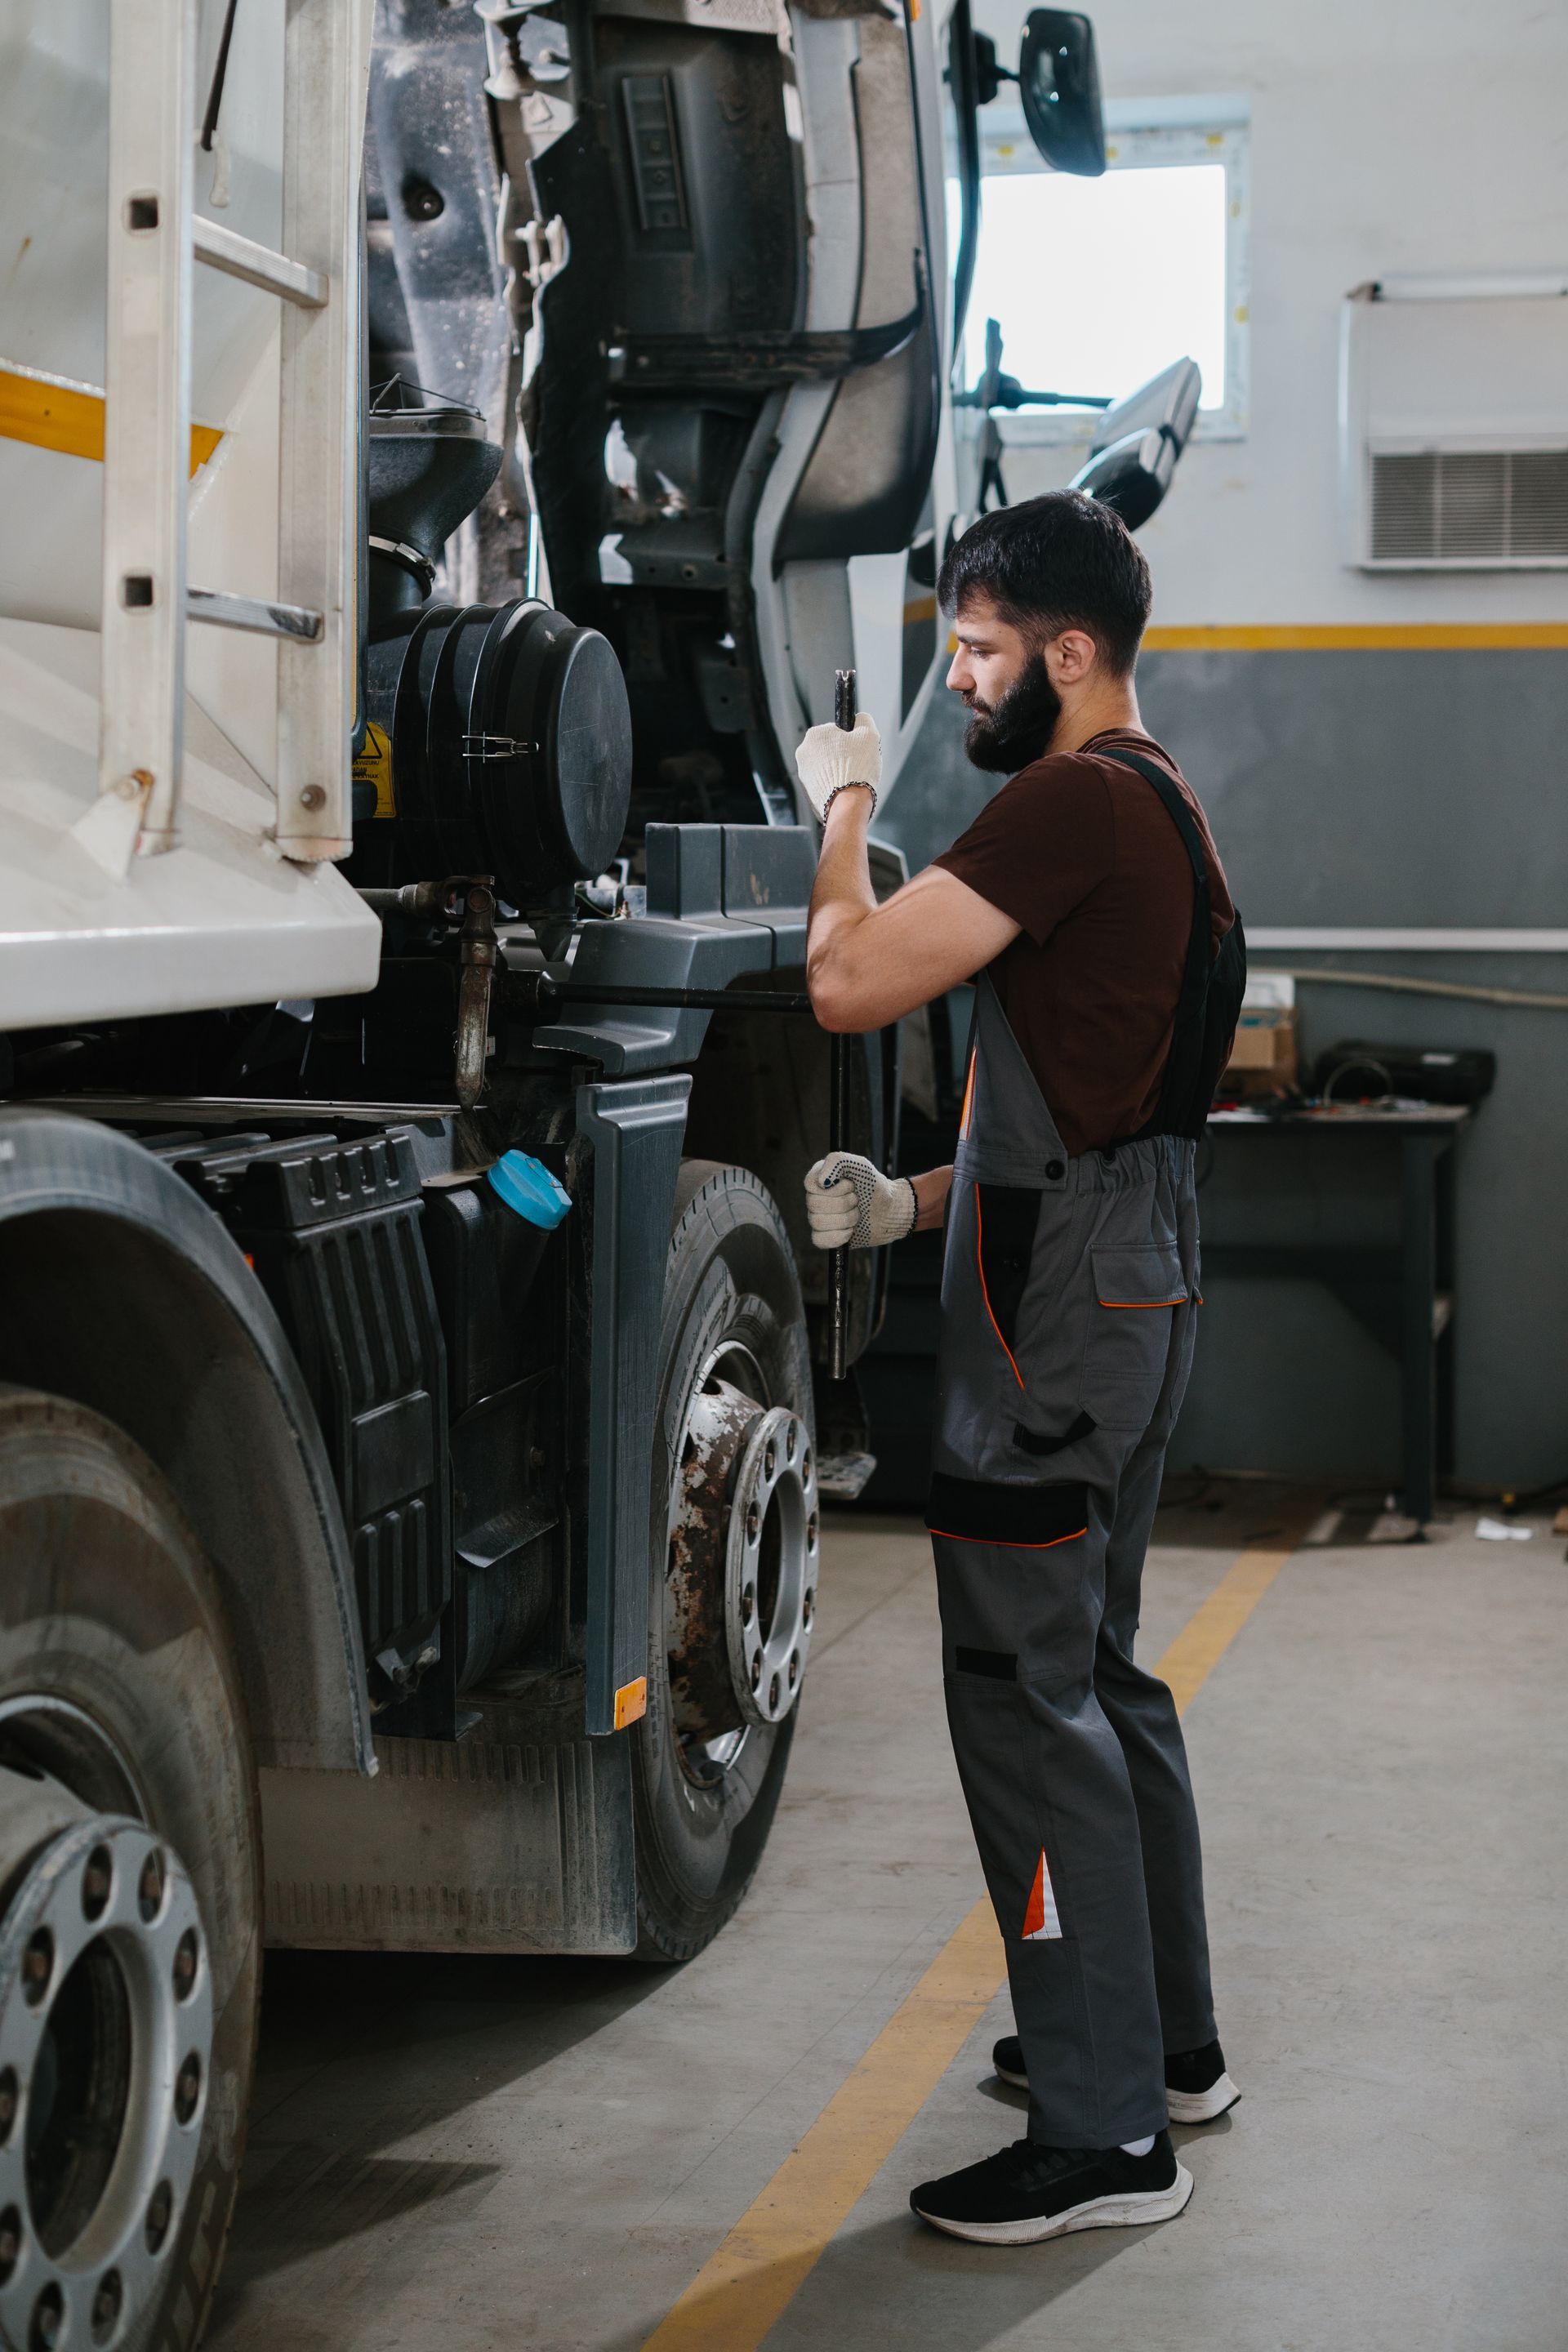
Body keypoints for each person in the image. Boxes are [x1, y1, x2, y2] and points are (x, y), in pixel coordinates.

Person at [796, 491, 1245, 2247]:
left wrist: (843, 798)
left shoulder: (1066, 804)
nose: (960, 680)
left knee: (1020, 1702)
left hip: (1054, 1328)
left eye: (979, 649)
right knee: (1101, 1679)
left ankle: (1103, 2130)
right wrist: (910, 1203)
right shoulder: (1166, 810)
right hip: (1127, 1291)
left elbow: (844, 983)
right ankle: (1165, 2048)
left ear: (1070, 656)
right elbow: (1085, 1105)